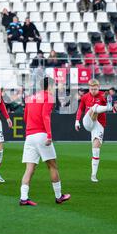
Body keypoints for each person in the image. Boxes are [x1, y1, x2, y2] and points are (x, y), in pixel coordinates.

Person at [19, 77, 71, 206]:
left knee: (29, 169)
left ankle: (23, 198)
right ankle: (59, 196)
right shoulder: (49, 97)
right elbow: (45, 115)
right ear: (50, 86)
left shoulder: (31, 98)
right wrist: (49, 134)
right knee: (52, 166)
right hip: (41, 135)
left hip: (29, 136)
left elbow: (25, 117)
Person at [75, 79, 113, 182]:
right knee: (94, 107)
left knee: (96, 150)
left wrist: (106, 99)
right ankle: (108, 108)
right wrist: (77, 121)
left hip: (99, 124)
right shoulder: (85, 97)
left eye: (95, 89)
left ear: (99, 87)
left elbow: (105, 98)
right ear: (89, 88)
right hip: (88, 122)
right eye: (91, 89)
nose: (93, 91)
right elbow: (80, 109)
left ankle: (93, 175)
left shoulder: (102, 96)